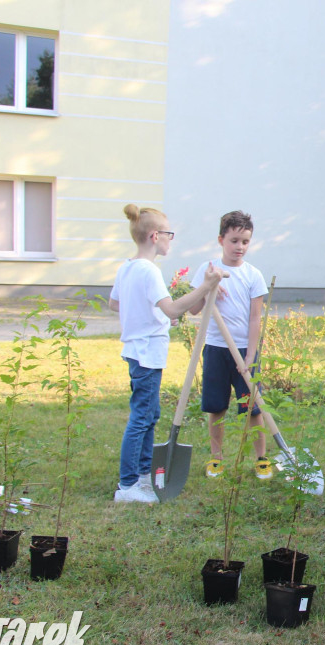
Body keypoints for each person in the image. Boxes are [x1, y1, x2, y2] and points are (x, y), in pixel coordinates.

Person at [109, 204, 227, 503]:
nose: (170, 239)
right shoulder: (149, 271)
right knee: (142, 417)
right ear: (154, 235)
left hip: (138, 350)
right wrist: (206, 285)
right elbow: (174, 308)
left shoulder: (127, 267)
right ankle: (128, 485)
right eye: (169, 234)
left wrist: (157, 317)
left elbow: (115, 304)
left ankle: (142, 474)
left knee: (150, 414)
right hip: (147, 352)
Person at [189, 211, 270, 479]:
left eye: (245, 242)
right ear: (221, 239)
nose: (240, 247)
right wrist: (208, 286)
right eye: (234, 241)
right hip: (215, 348)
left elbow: (255, 318)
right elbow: (194, 310)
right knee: (216, 407)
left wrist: (250, 355)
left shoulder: (253, 275)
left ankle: (261, 458)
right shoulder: (208, 269)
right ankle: (216, 458)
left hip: (245, 352)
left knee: (253, 407)